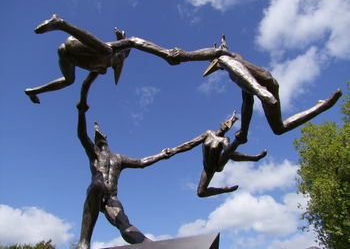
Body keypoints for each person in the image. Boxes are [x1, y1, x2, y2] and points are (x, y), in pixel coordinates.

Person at [75, 72, 173, 249]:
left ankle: (148, 244)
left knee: (125, 226)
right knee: (97, 185)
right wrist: (81, 111)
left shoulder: (119, 158)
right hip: (97, 192)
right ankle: (83, 242)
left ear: (106, 137)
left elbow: (142, 162)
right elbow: (82, 135)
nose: (98, 134)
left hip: (111, 198)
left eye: (101, 132)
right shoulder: (94, 153)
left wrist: (161, 154)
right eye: (95, 133)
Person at [203, 36, 342, 144]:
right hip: (265, 90)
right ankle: (322, 106)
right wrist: (244, 131)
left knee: (225, 60)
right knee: (279, 129)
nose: (215, 64)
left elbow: (225, 57)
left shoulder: (230, 60)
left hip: (265, 85)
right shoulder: (236, 73)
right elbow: (247, 103)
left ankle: (259, 91)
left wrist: (221, 50)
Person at [25, 14, 130, 104]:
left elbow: (86, 83)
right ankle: (60, 24)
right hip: (74, 43)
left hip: (66, 55)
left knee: (69, 81)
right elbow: (117, 46)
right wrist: (122, 40)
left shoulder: (101, 68)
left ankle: (33, 91)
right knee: (107, 51)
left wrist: (83, 101)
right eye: (121, 57)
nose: (119, 61)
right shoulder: (109, 51)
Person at [167, 111, 267, 197]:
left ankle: (252, 155)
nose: (225, 127)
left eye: (228, 126)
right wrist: (174, 150)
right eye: (225, 124)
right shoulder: (208, 133)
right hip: (208, 168)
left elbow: (230, 153)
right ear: (221, 124)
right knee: (201, 193)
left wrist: (252, 157)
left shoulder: (224, 140)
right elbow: (190, 144)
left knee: (229, 152)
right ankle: (225, 189)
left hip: (218, 164)